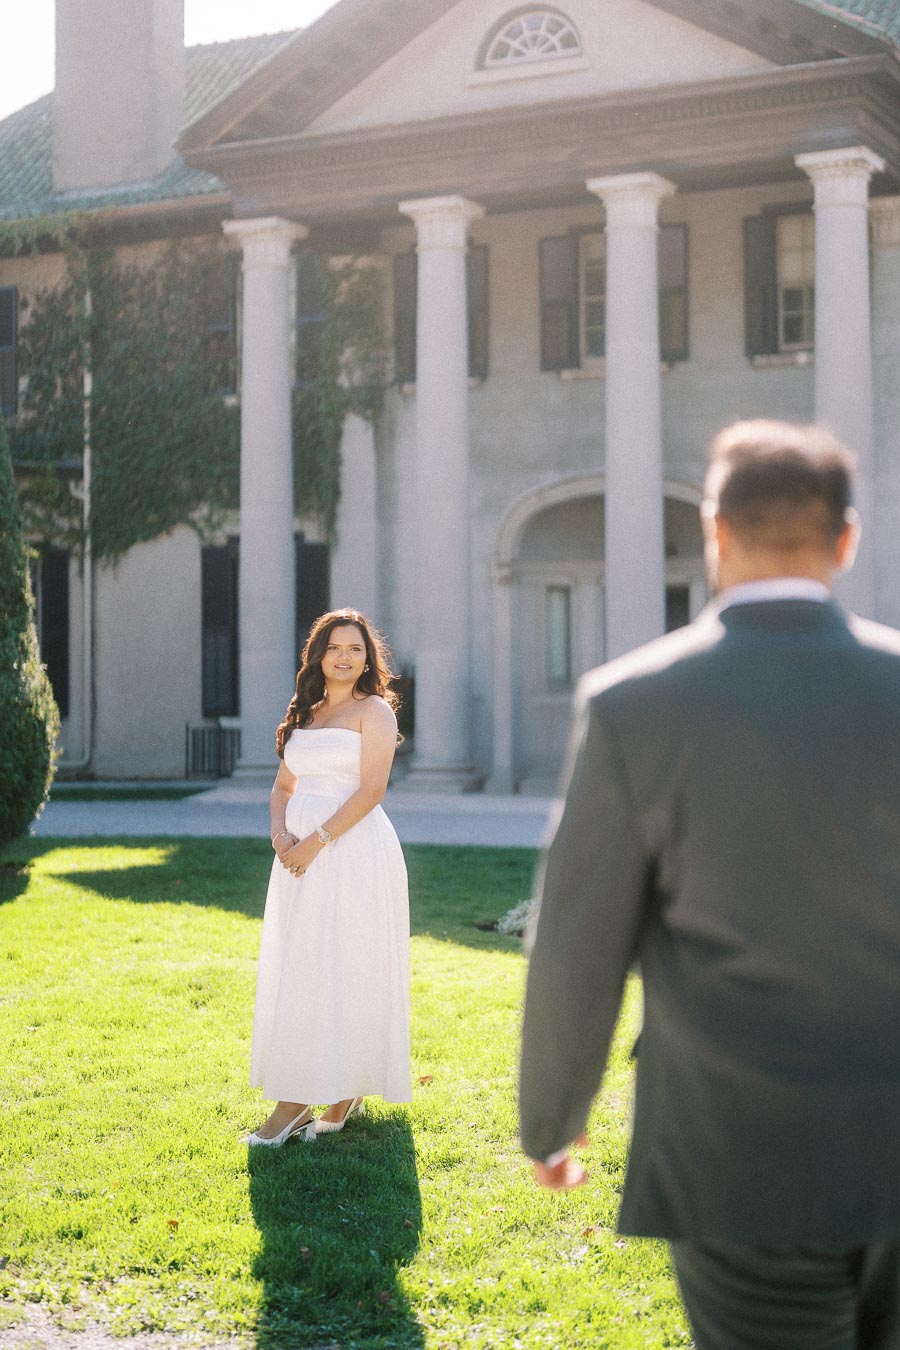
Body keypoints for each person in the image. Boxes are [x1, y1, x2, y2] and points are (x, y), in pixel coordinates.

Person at [519, 420, 900, 1349]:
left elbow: (577, 945)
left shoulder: (633, 703)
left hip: (739, 1152)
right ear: (848, 539)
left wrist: (551, 1122)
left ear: (714, 532)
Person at [244, 608, 411, 1147]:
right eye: (335, 647)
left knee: (349, 962)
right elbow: (282, 788)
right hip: (297, 860)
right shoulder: (307, 712)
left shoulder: (374, 712)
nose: (345, 656)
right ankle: (318, 1093)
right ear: (318, 655)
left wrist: (316, 841)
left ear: (368, 659)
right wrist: (280, 835)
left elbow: (371, 791)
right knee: (303, 967)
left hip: (351, 852)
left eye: (356, 649)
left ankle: (309, 1101)